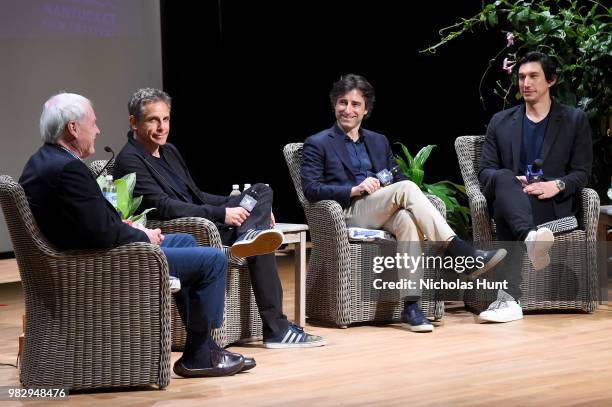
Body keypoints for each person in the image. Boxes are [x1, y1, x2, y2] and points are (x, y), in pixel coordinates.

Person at [20, 92, 255, 378]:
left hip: (87, 254)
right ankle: (204, 351)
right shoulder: (68, 169)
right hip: (98, 263)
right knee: (213, 261)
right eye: (93, 124)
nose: (98, 130)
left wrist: (133, 228)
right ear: (72, 128)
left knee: (187, 241)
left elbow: (90, 223)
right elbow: (102, 234)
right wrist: (142, 238)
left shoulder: (42, 161)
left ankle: (200, 349)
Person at [113, 88, 325, 348]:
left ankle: (250, 233)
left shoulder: (169, 151)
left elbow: (196, 194)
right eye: (153, 120)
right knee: (261, 239)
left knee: (260, 190)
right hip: (191, 228)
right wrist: (223, 212)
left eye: (166, 119)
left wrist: (230, 201)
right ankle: (276, 328)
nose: (161, 127)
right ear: (134, 122)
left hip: (207, 217)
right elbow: (164, 207)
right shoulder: (130, 160)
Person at [301, 74, 507, 333]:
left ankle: (411, 306)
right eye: (343, 103)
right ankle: (461, 252)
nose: (348, 110)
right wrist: (353, 189)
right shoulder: (318, 143)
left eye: (355, 104)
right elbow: (311, 189)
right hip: (347, 212)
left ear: (366, 110)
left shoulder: (377, 141)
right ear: (334, 105)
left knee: (407, 221)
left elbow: (398, 176)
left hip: (380, 207)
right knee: (408, 189)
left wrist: (385, 186)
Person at [478, 51, 592, 323]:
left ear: (551, 80)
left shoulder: (574, 120)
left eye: (533, 76)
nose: (525, 83)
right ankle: (531, 239)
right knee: (505, 179)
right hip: (512, 198)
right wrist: (511, 182)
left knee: (508, 209)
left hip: (550, 204)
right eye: (521, 77)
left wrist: (557, 184)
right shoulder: (501, 121)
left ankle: (509, 300)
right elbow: (485, 172)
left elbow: (583, 173)